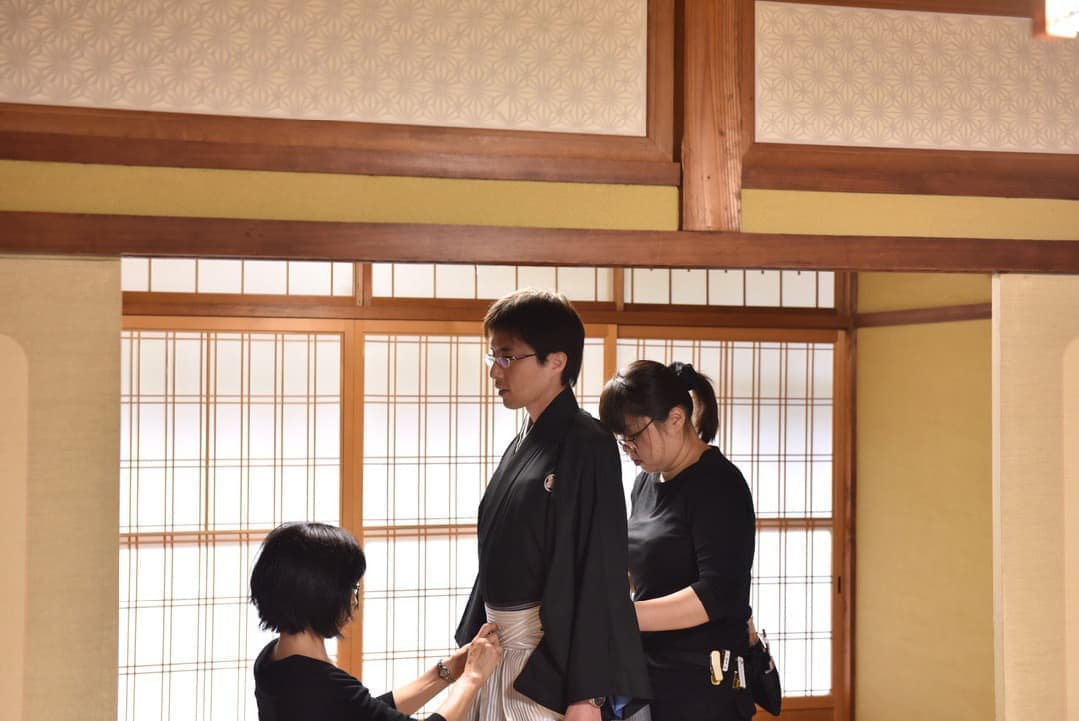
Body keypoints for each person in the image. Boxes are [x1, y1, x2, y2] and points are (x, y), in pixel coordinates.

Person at [456, 288, 651, 721]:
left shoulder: (589, 442)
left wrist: (587, 693)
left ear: (556, 362)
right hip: (495, 654)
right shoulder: (520, 442)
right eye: (492, 357)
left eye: (507, 357)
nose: (495, 371)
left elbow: (599, 569)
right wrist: (472, 644)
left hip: (546, 661)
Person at [599, 361, 758, 721]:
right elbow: (638, 566)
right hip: (648, 674)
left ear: (675, 418)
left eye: (634, 436)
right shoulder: (645, 482)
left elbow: (716, 594)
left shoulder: (720, 485)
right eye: (622, 441)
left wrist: (619, 616)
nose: (629, 450)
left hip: (703, 685)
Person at [249, 521, 503, 721]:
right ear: (324, 596)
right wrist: (473, 677)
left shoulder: (273, 660)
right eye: (352, 589)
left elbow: (362, 713)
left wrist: (445, 672)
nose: (355, 600)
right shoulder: (322, 685)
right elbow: (351, 707)